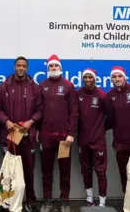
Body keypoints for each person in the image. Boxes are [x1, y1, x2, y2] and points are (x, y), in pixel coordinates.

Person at [0, 56, 43, 212]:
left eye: (24, 66)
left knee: (28, 171)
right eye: (18, 65)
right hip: (9, 137)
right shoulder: (4, 87)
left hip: (27, 137)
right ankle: (7, 201)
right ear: (14, 67)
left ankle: (30, 201)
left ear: (27, 68)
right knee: (9, 171)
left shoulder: (34, 87)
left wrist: (31, 122)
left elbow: (40, 110)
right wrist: (6, 121)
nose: (21, 68)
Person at [38, 54, 78, 212]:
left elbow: (74, 111)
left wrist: (71, 133)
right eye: (51, 67)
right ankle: (47, 200)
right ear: (48, 69)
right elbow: (38, 110)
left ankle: (64, 201)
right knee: (46, 170)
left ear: (60, 68)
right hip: (46, 137)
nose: (53, 69)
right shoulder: (42, 86)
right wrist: (38, 132)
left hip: (63, 138)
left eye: (56, 66)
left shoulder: (68, 86)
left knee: (64, 170)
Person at [104, 66, 130, 193]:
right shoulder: (109, 97)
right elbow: (109, 120)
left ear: (124, 77)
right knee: (124, 175)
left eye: (119, 76)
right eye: (114, 77)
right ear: (111, 79)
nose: (117, 79)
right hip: (120, 144)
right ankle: (128, 204)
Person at [76, 68, 107, 207]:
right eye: (86, 77)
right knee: (86, 170)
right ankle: (89, 199)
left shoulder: (101, 95)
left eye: (90, 77)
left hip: (98, 141)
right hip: (83, 140)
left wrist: (100, 129)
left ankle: (102, 202)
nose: (88, 79)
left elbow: (111, 116)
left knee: (100, 172)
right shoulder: (78, 94)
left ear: (95, 78)